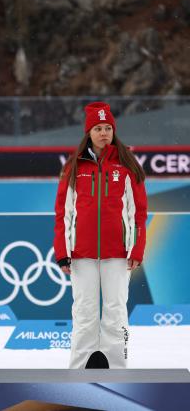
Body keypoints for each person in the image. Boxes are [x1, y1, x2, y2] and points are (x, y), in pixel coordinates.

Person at [53, 101, 147, 369]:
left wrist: (136, 249)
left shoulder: (127, 166)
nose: (103, 133)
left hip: (117, 255)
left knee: (115, 313)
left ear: (113, 131)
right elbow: (63, 213)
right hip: (81, 255)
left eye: (108, 128)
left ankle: (118, 371)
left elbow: (138, 213)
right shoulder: (74, 168)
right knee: (84, 314)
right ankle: (78, 372)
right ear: (89, 133)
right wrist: (63, 252)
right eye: (98, 128)